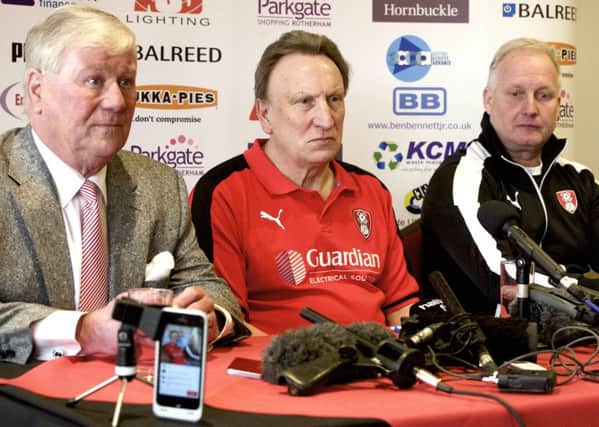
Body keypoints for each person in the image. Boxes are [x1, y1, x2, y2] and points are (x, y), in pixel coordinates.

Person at [0, 5, 245, 365]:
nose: (117, 102)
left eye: (126, 82)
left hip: (133, 402)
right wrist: (81, 331)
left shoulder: (160, 185)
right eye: (94, 81)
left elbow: (210, 289)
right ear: (37, 90)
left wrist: (209, 316)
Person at [191, 30, 419, 335]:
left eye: (334, 99)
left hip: (378, 370)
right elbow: (226, 322)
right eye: (305, 101)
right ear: (264, 114)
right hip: (279, 372)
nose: (326, 119)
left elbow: (401, 307)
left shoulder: (370, 189)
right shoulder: (222, 192)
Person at [421, 38, 599, 314]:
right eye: (516, 93)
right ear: (488, 101)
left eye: (543, 95)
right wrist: (587, 297)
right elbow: (501, 280)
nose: (530, 108)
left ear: (558, 104)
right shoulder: (461, 178)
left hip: (581, 338)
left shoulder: (580, 179)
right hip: (491, 347)